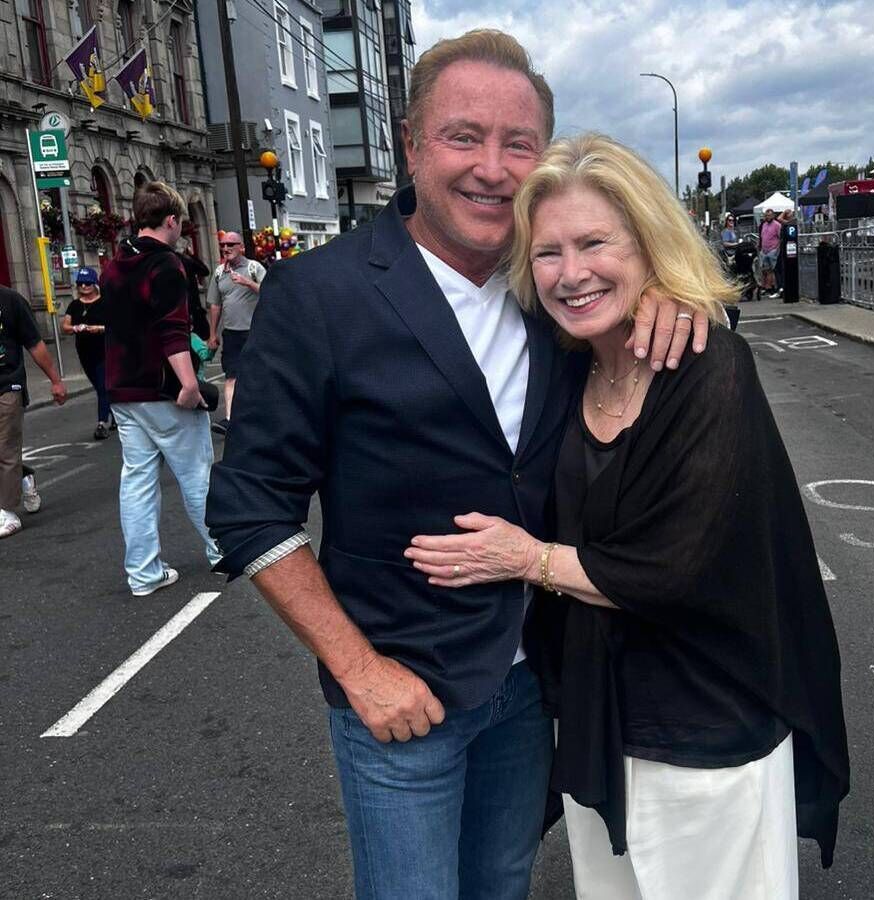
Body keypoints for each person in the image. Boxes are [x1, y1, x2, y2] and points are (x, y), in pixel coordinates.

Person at [205, 30, 708, 900]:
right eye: (463, 137)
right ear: (410, 145)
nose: (492, 167)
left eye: (519, 144)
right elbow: (250, 509)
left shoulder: (549, 288)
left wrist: (662, 293)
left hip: (531, 688)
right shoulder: (318, 297)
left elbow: (624, 307)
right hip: (404, 698)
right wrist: (361, 674)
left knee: (502, 885)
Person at [406, 133, 850, 898]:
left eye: (595, 243)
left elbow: (674, 568)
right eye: (548, 252)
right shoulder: (564, 360)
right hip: (598, 726)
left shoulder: (707, 365)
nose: (571, 274)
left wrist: (527, 558)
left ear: (648, 244)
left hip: (706, 731)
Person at [101, 181, 220, 596]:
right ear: (171, 220)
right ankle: (221, 550)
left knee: (137, 479)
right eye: (180, 224)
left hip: (122, 387)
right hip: (162, 387)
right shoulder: (167, 265)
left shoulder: (115, 264)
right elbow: (172, 329)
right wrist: (190, 384)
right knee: (196, 474)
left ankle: (143, 573)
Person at [0, 287, 67, 538]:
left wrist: (56, 381)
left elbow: (34, 343)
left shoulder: (10, 301)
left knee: (6, 448)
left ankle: (7, 512)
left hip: (7, 385)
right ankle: (24, 476)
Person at [205, 230, 265, 434]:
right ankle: (230, 420)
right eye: (223, 245)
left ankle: (261, 414)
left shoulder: (254, 267)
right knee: (231, 376)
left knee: (257, 374)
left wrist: (248, 282)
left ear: (242, 247)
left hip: (254, 331)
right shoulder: (219, 272)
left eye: (231, 244)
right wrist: (213, 334)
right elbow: (215, 305)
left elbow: (270, 293)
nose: (226, 248)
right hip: (231, 334)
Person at [62, 266, 114, 439]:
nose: (84, 287)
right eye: (81, 284)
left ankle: (101, 423)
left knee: (102, 386)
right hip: (85, 352)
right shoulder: (75, 305)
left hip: (104, 349)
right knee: (99, 385)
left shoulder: (105, 302)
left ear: (95, 284)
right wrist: (76, 327)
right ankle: (114, 414)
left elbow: (116, 326)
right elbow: (65, 327)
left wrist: (98, 328)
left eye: (88, 283)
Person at [758, 208, 781, 296]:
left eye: (770, 215)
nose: (768, 217)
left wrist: (777, 249)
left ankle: (775, 287)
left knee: (773, 270)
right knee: (766, 270)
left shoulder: (777, 225)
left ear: (773, 215)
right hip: (764, 250)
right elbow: (762, 236)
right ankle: (767, 287)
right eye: (766, 215)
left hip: (773, 250)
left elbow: (780, 238)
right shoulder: (764, 224)